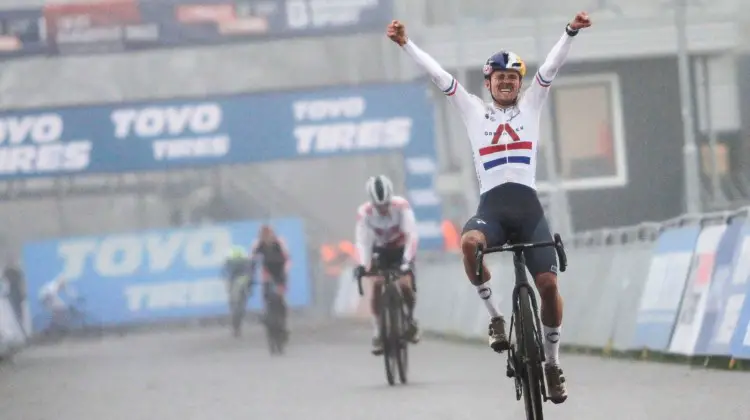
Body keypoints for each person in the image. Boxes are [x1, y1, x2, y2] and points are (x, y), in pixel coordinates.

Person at [387, 12, 592, 403]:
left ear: (519, 83)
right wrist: (405, 44)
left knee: (548, 286)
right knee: (468, 244)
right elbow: (437, 75)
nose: (506, 83)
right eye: (499, 78)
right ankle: (496, 317)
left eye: (512, 78)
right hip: (492, 210)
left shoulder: (533, 102)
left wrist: (570, 33)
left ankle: (551, 364)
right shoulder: (471, 109)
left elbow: (551, 66)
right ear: (487, 83)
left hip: (528, 209)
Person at [354, 175, 420, 355]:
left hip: (400, 248)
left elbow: (411, 236)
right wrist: (362, 265)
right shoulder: (365, 213)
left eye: (385, 204)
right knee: (375, 284)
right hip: (380, 250)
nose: (382, 209)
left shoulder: (401, 206)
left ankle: (410, 320)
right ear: (372, 202)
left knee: (405, 283)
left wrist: (406, 262)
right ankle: (377, 331)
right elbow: (362, 242)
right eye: (379, 206)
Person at [249, 225, 291, 325]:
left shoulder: (279, 242)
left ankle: (283, 314)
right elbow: (252, 260)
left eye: (268, 235)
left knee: (280, 294)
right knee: (266, 292)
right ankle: (267, 311)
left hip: (280, 270)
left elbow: (287, 258)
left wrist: (285, 270)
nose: (266, 238)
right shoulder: (258, 244)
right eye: (264, 236)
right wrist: (251, 273)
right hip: (268, 270)